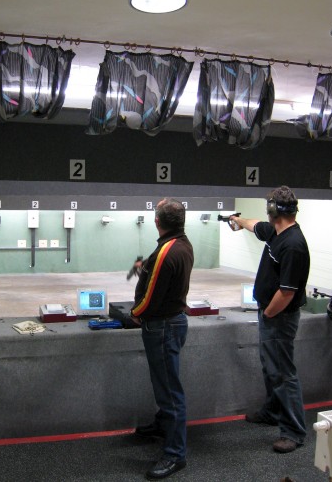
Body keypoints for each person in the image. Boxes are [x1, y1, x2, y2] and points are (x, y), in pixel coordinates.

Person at [229, 185, 310, 454]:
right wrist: (238, 221)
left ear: (274, 209)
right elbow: (255, 225)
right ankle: (273, 411)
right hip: (273, 316)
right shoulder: (277, 232)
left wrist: (267, 314)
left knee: (283, 374)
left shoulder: (293, 245)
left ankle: (294, 431)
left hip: (279, 317)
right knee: (271, 368)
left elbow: (287, 292)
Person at [130, 198, 194, 480]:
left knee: (169, 391)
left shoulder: (167, 251)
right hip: (172, 322)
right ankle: (162, 424)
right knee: (165, 384)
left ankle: (175, 454)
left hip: (163, 326)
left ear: (157, 222)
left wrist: (134, 314)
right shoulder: (182, 244)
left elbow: (151, 298)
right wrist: (147, 266)